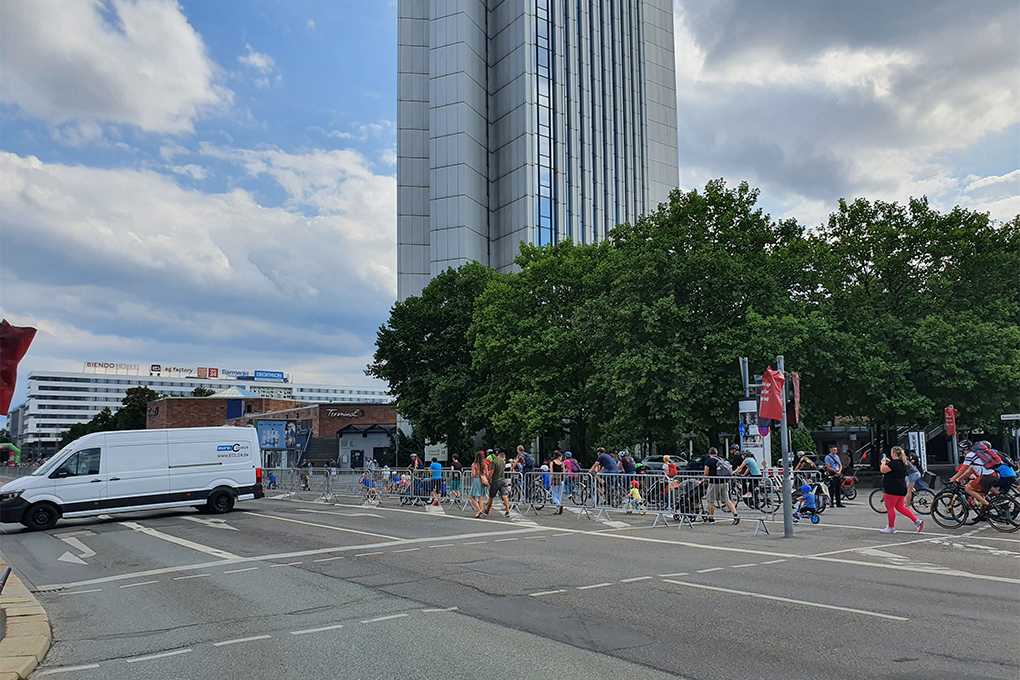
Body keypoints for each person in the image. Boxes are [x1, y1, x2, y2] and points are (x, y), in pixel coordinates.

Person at [880, 446, 922, 534]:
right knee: (900, 507)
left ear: (894, 454)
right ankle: (916, 521)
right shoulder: (904, 463)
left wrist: (883, 463)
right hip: (901, 487)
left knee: (890, 507)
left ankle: (891, 527)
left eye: (892, 453)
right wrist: (889, 463)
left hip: (892, 487)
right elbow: (894, 469)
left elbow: (883, 470)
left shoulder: (894, 463)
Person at [949, 440, 1001, 508]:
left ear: (966, 449)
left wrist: (954, 478)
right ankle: (984, 513)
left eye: (963, 450)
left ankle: (987, 505)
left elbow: (963, 469)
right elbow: (970, 470)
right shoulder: (976, 455)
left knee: (968, 489)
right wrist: (959, 478)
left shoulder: (970, 455)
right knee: (980, 494)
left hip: (986, 476)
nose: (962, 452)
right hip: (993, 475)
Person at [703, 447, 739, 525]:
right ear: (716, 453)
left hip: (714, 483)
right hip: (725, 482)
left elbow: (706, 473)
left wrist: (705, 479)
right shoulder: (722, 459)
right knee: (727, 500)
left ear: (709, 454)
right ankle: (735, 515)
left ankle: (711, 518)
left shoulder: (709, 461)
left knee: (711, 500)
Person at [484, 450, 512, 517]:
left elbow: (491, 472)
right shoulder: (503, 461)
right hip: (502, 480)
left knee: (491, 497)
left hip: (495, 481)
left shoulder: (494, 462)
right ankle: (507, 511)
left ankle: (487, 510)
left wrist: (487, 477)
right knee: (504, 495)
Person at [469, 450, 489, 518]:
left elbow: (474, 474)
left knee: (472, 497)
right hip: (482, 480)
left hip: (477, 480)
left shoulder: (474, 464)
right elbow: (487, 474)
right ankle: (481, 512)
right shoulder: (484, 465)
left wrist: (472, 473)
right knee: (481, 497)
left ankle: (479, 510)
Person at [550, 450, 565, 514]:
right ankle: (557, 509)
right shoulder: (562, 463)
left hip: (555, 479)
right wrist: (563, 479)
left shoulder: (552, 463)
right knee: (559, 495)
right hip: (561, 479)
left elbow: (551, 472)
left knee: (554, 494)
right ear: (559, 457)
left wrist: (551, 480)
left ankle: (558, 504)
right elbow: (564, 473)